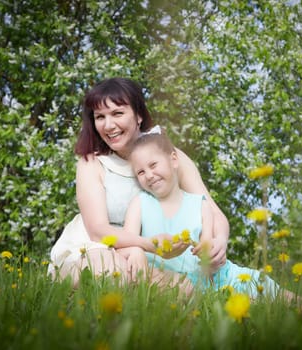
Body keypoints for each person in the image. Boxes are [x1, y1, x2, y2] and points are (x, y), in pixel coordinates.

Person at [48, 77, 230, 290]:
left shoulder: (169, 156)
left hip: (145, 257)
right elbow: (98, 231)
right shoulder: (92, 163)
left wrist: (220, 240)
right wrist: (141, 245)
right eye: (100, 117)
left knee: (186, 291)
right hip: (93, 249)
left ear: (139, 115)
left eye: (117, 113)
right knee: (113, 275)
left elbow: (213, 211)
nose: (108, 125)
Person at [125, 132, 288, 299]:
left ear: (173, 160)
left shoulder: (200, 204)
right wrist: (136, 250)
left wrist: (210, 255)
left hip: (216, 276)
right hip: (178, 282)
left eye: (153, 165)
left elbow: (207, 250)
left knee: (268, 289)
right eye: (141, 172)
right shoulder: (139, 203)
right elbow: (126, 242)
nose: (149, 175)